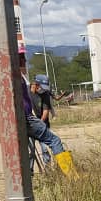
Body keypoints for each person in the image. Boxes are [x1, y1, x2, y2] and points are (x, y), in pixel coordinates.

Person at [17, 46, 78, 177]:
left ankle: (33, 174)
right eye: (22, 57)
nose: (25, 60)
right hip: (28, 119)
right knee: (53, 141)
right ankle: (71, 174)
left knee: (33, 149)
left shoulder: (18, 78)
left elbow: (46, 110)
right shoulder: (19, 78)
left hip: (30, 119)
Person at [30, 75, 55, 168]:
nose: (43, 90)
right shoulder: (27, 93)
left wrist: (39, 123)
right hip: (29, 125)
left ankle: (48, 169)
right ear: (35, 84)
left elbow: (45, 111)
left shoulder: (45, 95)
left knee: (44, 148)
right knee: (31, 150)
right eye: (42, 87)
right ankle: (30, 171)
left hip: (42, 124)